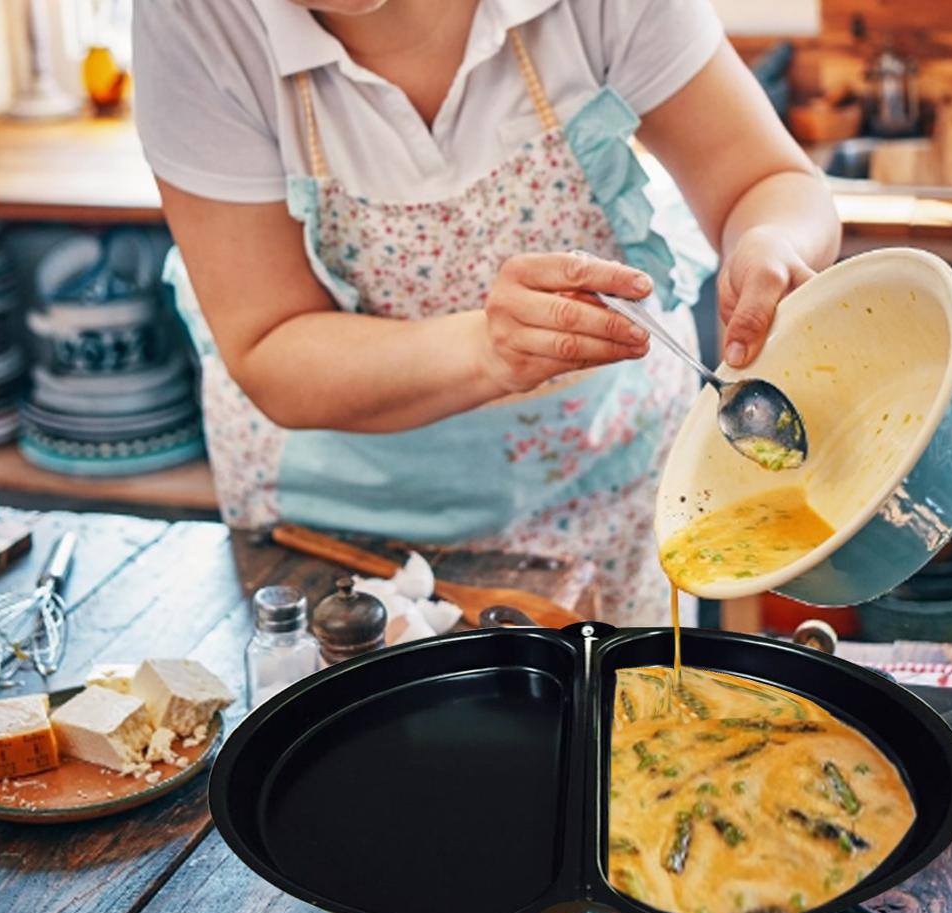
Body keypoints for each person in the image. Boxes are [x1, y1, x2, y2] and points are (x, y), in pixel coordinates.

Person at [132, 0, 840, 625]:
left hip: (604, 491)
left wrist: (772, 241)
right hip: (337, 530)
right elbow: (268, 344)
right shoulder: (194, 19)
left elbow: (767, 178)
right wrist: (486, 350)